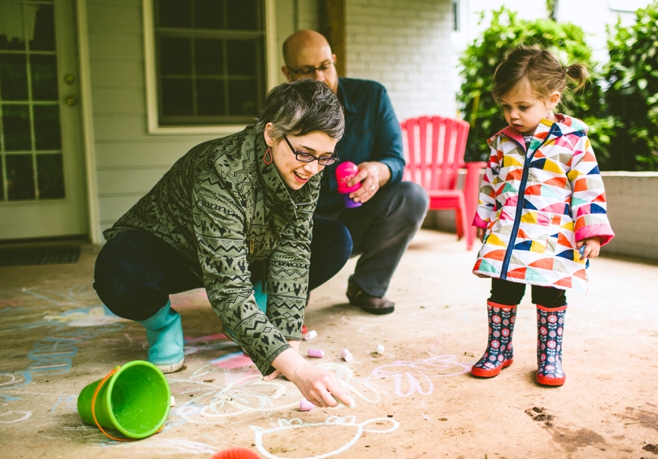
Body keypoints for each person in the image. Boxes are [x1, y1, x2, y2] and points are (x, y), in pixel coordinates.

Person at [93, 79, 352, 408]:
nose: (313, 168)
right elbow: (227, 286)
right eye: (305, 153)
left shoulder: (307, 166)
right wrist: (299, 370)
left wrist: (288, 343)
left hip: (251, 248)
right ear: (271, 134)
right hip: (175, 252)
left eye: (325, 158)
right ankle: (162, 325)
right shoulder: (221, 171)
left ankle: (254, 311)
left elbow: (294, 252)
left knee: (333, 240)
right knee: (117, 269)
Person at [469, 46, 615, 386]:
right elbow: (491, 183)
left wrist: (590, 231)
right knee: (503, 289)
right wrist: (485, 218)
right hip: (507, 236)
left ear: (552, 99)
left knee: (550, 293)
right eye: (506, 106)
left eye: (523, 106)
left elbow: (588, 186)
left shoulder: (573, 144)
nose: (512, 115)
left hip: (553, 238)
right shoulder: (501, 144)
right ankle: (499, 348)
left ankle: (550, 356)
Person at [281, 30, 429, 315]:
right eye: (307, 71)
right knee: (289, 308)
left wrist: (377, 170)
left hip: (358, 214)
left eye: (325, 66)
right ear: (289, 74)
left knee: (412, 196)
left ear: (334, 60)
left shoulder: (372, 96)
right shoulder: (281, 113)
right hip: (303, 225)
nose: (321, 78)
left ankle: (367, 286)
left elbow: (395, 159)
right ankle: (292, 288)